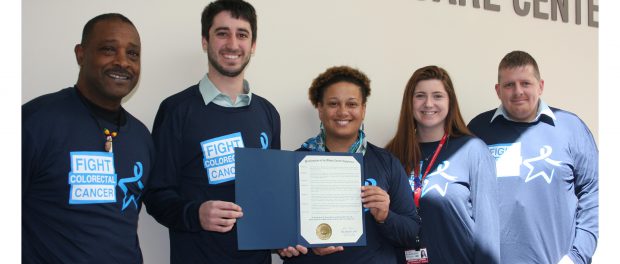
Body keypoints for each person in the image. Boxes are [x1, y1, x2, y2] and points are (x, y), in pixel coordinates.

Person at [142, 0, 280, 263]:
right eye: (222, 33)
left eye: (242, 34)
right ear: (205, 41)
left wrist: (284, 237)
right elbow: (156, 194)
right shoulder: (176, 110)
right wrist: (195, 214)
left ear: (253, 45)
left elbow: (271, 194)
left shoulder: (268, 114)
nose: (232, 44)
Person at [22, 13, 153, 263]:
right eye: (108, 49)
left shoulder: (141, 137)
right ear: (81, 54)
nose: (123, 62)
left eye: (133, 54)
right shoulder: (34, 122)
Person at [279, 66, 420, 264]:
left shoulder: (386, 162)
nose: (343, 111)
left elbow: (411, 233)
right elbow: (276, 233)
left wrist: (385, 216)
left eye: (352, 104)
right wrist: (305, 245)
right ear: (320, 109)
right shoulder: (293, 164)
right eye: (333, 103)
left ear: (363, 109)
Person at [468, 50, 598, 264]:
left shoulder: (570, 127)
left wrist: (576, 256)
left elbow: (595, 195)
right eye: (509, 85)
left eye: (525, 83)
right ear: (498, 90)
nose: (518, 91)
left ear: (541, 86)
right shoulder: (478, 130)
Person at [385, 65, 500, 263]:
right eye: (420, 95)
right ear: (409, 102)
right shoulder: (392, 155)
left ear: (450, 102)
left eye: (438, 96)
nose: (428, 103)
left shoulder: (472, 150)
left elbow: (487, 230)